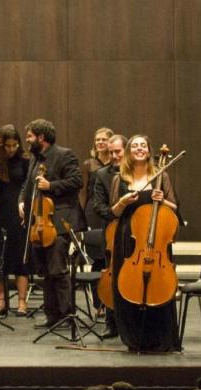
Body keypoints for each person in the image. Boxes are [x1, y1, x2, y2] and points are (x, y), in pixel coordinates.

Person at [107, 135, 179, 352]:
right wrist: (121, 202)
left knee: (159, 285)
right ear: (129, 151)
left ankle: (159, 338)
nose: (139, 149)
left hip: (156, 239)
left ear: (149, 151)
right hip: (128, 240)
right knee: (127, 286)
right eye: (135, 146)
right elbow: (113, 212)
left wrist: (161, 200)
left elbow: (174, 208)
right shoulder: (119, 179)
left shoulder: (160, 176)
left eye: (143, 146)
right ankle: (133, 338)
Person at [18, 119, 84, 329]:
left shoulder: (65, 155)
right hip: (38, 222)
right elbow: (27, 185)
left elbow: (76, 182)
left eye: (29, 136)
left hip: (58, 222)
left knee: (58, 270)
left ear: (41, 137)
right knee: (45, 271)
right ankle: (51, 315)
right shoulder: (34, 159)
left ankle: (66, 315)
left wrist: (51, 185)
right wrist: (21, 201)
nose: (27, 140)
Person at [0, 125, 31, 316]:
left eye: (14, 145)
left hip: (18, 213)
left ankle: (22, 302)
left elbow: (28, 186)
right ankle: (1, 301)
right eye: (7, 146)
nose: (11, 149)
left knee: (21, 258)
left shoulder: (26, 160)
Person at [90, 134, 127, 339]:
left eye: (117, 151)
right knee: (112, 279)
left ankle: (131, 321)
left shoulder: (133, 173)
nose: (113, 155)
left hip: (133, 232)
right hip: (111, 232)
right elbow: (98, 206)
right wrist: (115, 212)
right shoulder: (102, 175)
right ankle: (111, 323)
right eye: (111, 152)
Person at [83, 127, 114, 227]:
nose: (100, 142)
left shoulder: (117, 163)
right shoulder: (89, 164)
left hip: (111, 208)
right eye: (97, 140)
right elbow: (83, 192)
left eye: (104, 139)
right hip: (92, 210)